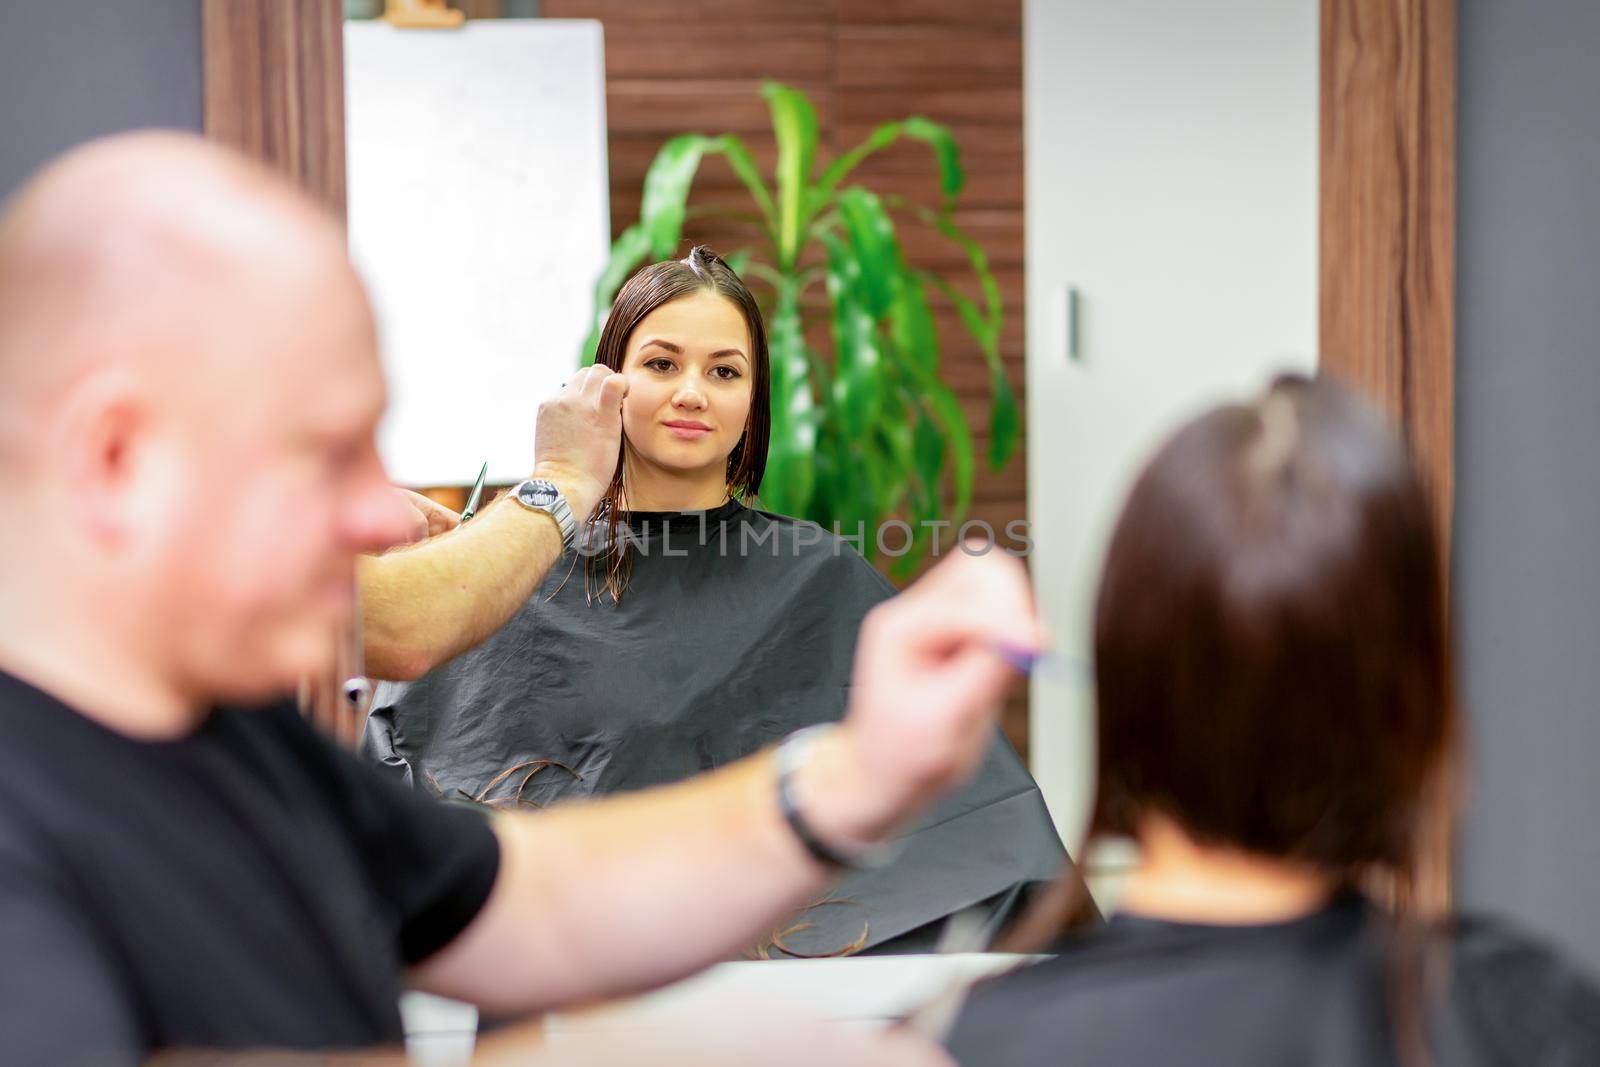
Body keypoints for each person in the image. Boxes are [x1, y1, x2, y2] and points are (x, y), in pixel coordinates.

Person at [0, 132, 1040, 1066]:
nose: (385, 512)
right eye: (325, 452)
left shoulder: (251, 750)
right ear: (115, 458)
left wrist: (851, 778)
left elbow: (529, 899)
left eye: (724, 371)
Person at [362, 247, 1072, 956]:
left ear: (752, 402)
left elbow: (982, 824)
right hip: (551, 959)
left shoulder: (820, 578)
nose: (693, 392)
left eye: (724, 371)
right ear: (607, 386)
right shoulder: (515, 564)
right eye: (662, 364)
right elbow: (399, 776)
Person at [942, 376, 1600, 1066]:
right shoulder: (1522, 1019)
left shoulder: (978, 1044)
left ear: (1124, 687)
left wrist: (838, 806)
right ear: (1414, 706)